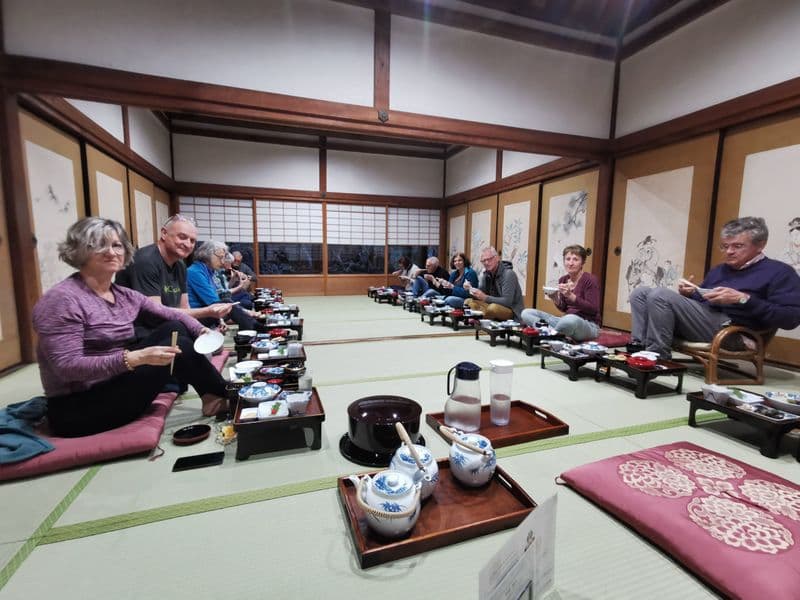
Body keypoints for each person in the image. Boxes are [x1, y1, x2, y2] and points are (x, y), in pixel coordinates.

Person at [32, 217, 229, 437]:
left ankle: (217, 395)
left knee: (175, 328)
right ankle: (222, 394)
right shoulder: (62, 300)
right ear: (78, 249)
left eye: (117, 245)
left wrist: (201, 330)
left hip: (116, 382)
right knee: (174, 342)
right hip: (78, 408)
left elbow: (172, 313)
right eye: (99, 244)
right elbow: (67, 367)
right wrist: (136, 358)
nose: (111, 252)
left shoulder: (122, 294)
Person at [629, 216, 800, 359]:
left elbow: (790, 319)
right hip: (708, 324)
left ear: (760, 245)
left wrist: (743, 299)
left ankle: (657, 357)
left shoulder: (780, 272)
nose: (729, 252)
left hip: (734, 334)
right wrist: (689, 294)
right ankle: (639, 347)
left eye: (737, 246)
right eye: (725, 246)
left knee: (660, 294)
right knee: (640, 292)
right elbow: (704, 304)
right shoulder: (720, 270)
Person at [115, 214, 232, 340]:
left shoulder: (180, 264)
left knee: (208, 333)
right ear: (164, 233)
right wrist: (207, 312)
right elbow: (156, 313)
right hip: (140, 330)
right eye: (182, 237)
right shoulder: (145, 261)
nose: (188, 244)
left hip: (170, 323)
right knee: (182, 333)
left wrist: (202, 329)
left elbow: (184, 307)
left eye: (192, 241)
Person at [521, 244, 600, 341]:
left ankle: (549, 335)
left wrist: (571, 296)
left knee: (570, 319)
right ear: (564, 262)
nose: (571, 263)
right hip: (564, 321)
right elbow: (563, 308)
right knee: (526, 313)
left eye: (575, 259)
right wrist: (555, 298)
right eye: (568, 259)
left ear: (582, 262)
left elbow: (593, 309)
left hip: (587, 324)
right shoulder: (563, 279)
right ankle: (554, 333)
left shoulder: (590, 280)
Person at [187, 241, 263, 332]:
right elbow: (215, 302)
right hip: (198, 315)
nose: (223, 262)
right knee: (229, 303)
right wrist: (246, 312)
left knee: (238, 301)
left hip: (209, 310)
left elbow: (218, 297)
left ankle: (251, 328)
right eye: (221, 258)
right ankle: (255, 327)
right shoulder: (195, 272)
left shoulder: (209, 271)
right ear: (207, 255)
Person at [465, 246, 524, 321]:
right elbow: (481, 295)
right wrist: (470, 289)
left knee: (493, 308)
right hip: (491, 306)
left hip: (511, 311)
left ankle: (478, 318)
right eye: (483, 261)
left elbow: (507, 302)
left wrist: (485, 297)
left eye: (489, 259)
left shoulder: (508, 274)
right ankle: (478, 318)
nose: (486, 262)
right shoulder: (486, 274)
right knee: (468, 301)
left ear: (497, 258)